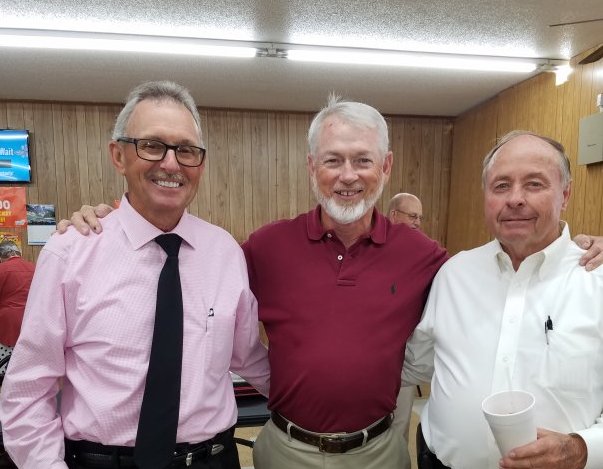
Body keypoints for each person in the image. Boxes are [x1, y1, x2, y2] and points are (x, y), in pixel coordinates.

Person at [54, 100, 603, 469]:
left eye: (363, 160)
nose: (348, 175)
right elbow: (189, 269)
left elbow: (513, 261)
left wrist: (584, 245)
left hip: (381, 451)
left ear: (386, 167)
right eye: (333, 160)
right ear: (311, 167)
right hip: (284, 449)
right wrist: (109, 222)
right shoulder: (262, 248)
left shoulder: (431, 260)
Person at [0, 81, 270, 469]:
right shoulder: (70, 252)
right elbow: (28, 389)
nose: (171, 164)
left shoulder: (224, 252)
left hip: (212, 458)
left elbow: (249, 357)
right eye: (152, 145)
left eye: (186, 150)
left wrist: (326, 411)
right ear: (119, 155)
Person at [403, 130, 603, 469]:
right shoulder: (454, 274)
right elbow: (417, 363)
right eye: (501, 186)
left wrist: (583, 449)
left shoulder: (596, 281)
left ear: (565, 194)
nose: (515, 199)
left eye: (534, 184)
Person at [387, 193, 425, 444]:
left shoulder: (423, 252)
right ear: (393, 215)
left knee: (399, 426)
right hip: (370, 358)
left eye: (420, 218)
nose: (417, 223)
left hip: (405, 358)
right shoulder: (369, 248)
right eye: (412, 216)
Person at [0, 241, 35, 382]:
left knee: (5, 367)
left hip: (6, 324)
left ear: (2, 256)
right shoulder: (35, 268)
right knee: (27, 363)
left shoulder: (1, 269)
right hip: (32, 321)